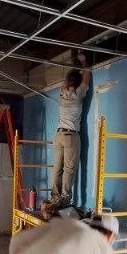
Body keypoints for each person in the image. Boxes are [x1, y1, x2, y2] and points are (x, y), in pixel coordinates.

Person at [50, 52, 90, 208]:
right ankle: (65, 201)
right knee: (69, 169)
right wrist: (84, 61)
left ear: (67, 82)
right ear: (78, 83)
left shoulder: (62, 93)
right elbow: (87, 75)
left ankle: (55, 198)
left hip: (58, 135)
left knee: (57, 168)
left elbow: (68, 79)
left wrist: (74, 67)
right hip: (70, 135)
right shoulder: (78, 94)